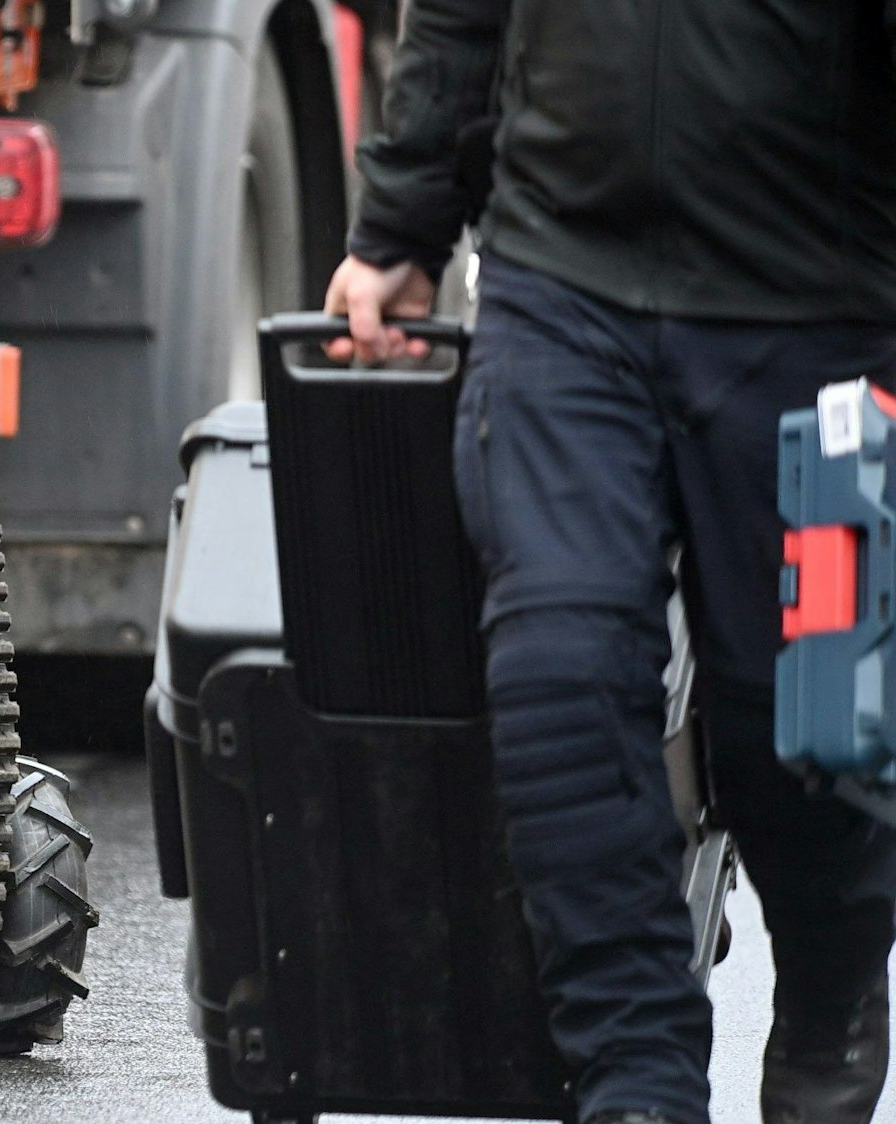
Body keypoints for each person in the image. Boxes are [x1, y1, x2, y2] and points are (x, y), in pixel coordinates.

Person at [323, 2, 896, 1121]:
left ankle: (830, 984)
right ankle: (638, 1074)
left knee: (800, 725)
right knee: (560, 680)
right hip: (563, 286)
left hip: (814, 307)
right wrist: (400, 224)